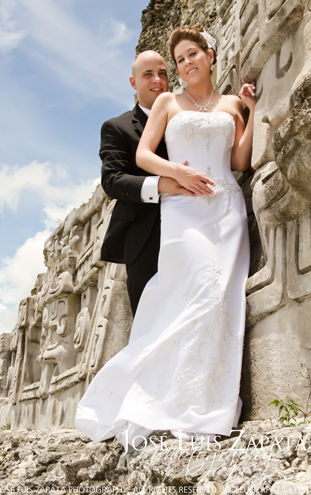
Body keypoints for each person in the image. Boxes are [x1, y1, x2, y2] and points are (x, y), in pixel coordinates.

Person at [75, 24, 256, 451]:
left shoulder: (230, 103)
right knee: (182, 300)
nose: (178, 68)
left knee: (219, 299)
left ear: (211, 54)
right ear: (135, 81)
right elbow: (130, 166)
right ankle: (151, 395)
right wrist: (175, 176)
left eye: (190, 55)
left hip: (225, 208)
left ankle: (203, 398)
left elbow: (240, 160)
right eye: (177, 61)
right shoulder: (159, 109)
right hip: (175, 215)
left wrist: (251, 111)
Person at [100, 50, 195, 315]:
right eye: (148, 75)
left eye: (162, 73)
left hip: (195, 226)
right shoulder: (117, 127)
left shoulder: (188, 118)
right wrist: (161, 184)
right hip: (145, 239)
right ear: (133, 83)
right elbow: (112, 180)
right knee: (149, 322)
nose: (157, 80)